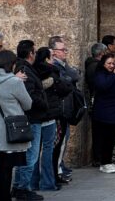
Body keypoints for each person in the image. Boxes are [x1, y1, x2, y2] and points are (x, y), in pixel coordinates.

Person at [0, 50, 33, 201]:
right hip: (9, 134)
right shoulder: (14, 82)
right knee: (6, 170)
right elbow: (28, 104)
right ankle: (4, 198)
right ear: (10, 64)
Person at [11, 41, 49, 200]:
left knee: (26, 155)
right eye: (34, 52)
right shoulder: (24, 69)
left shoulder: (23, 68)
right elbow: (29, 96)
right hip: (32, 118)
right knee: (31, 155)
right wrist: (42, 103)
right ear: (30, 54)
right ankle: (22, 188)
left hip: (32, 117)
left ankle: (19, 187)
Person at [33, 47, 74, 191]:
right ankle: (47, 182)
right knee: (49, 150)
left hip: (36, 116)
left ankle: (33, 182)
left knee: (35, 151)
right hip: (50, 115)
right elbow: (65, 87)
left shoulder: (31, 70)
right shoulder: (52, 71)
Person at [48, 36, 80, 183]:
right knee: (58, 143)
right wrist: (68, 71)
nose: (65, 52)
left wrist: (66, 66)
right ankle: (57, 171)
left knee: (63, 141)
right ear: (54, 52)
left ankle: (60, 167)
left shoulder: (63, 65)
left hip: (66, 109)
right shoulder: (54, 66)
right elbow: (66, 80)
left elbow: (75, 76)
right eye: (62, 50)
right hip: (59, 110)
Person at [92, 54, 115, 173]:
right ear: (103, 64)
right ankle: (104, 162)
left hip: (114, 111)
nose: (112, 65)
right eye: (109, 63)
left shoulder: (112, 75)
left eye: (113, 63)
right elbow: (103, 86)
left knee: (112, 138)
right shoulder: (100, 75)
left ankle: (108, 161)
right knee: (106, 139)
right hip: (105, 112)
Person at [85, 42, 107, 167]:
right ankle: (98, 157)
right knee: (99, 132)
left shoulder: (95, 66)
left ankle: (101, 156)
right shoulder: (95, 67)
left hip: (98, 102)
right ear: (101, 54)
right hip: (97, 102)